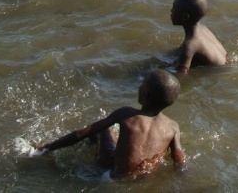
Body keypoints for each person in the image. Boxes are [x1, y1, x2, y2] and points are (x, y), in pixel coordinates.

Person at [36, 70, 186, 180]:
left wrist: (46, 148)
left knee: (102, 129)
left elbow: (81, 133)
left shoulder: (126, 114)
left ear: (145, 94)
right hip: (141, 178)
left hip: (112, 175)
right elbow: (179, 159)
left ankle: (92, 148)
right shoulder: (173, 127)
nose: (139, 86)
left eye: (142, 84)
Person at [170, 0, 227, 74]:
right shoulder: (203, 28)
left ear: (185, 17)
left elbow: (181, 76)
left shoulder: (190, 45)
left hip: (216, 72)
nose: (171, 10)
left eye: (174, 7)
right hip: (225, 63)